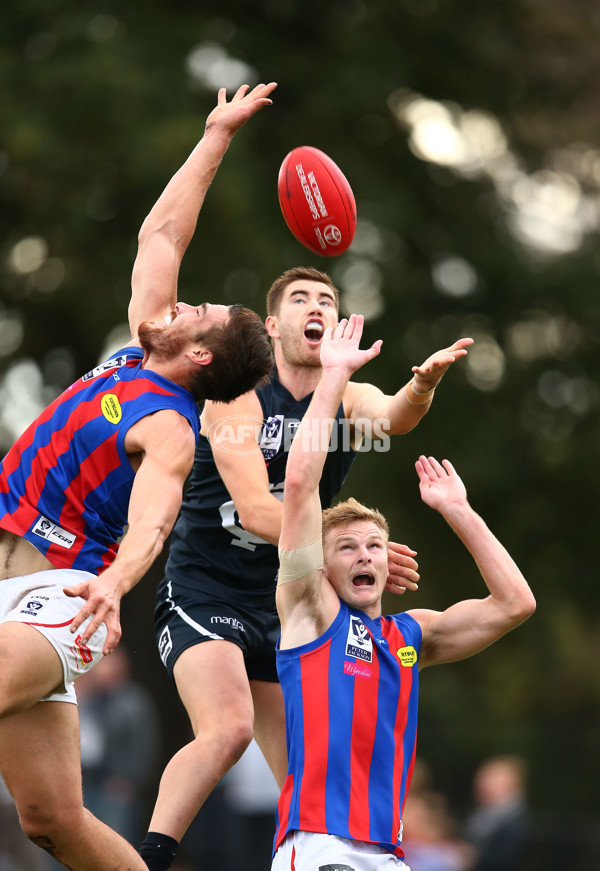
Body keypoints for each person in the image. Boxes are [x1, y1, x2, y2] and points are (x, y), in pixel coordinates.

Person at [0, 82, 276, 871]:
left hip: (60, 598)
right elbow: (162, 234)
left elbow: (153, 522)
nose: (184, 301)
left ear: (199, 357)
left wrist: (115, 585)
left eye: (202, 312)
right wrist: (217, 135)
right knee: (52, 818)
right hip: (15, 576)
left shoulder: (166, 427)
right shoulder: (137, 349)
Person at [141, 263, 473, 867]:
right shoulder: (238, 392)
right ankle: (147, 860)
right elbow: (257, 507)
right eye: (300, 299)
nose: (316, 307)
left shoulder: (345, 395)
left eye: (327, 299)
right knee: (229, 729)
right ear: (272, 325)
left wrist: (422, 384)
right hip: (205, 589)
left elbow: (396, 416)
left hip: (284, 603)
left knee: (309, 774)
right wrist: (346, 553)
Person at [271, 314, 536, 870]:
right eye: (346, 547)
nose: (363, 554)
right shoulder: (311, 612)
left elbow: (516, 604)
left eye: (373, 545)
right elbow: (299, 485)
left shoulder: (409, 636)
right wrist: (334, 378)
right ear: (321, 565)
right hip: (321, 846)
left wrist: (458, 511)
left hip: (389, 855)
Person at [464, 755, 530, 871]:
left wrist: (470, 856)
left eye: (490, 778)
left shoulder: (516, 821)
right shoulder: (481, 817)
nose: (482, 783)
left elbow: (504, 859)